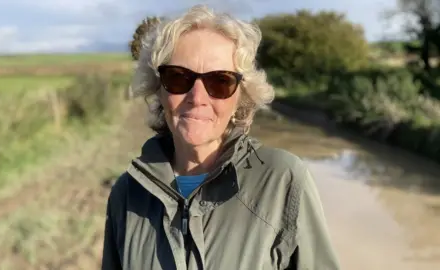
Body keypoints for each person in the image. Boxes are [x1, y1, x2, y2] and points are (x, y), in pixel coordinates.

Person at [101, 4, 340, 270]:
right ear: (158, 88)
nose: (197, 98)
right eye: (178, 78)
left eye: (220, 82)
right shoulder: (127, 194)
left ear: (241, 96)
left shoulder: (282, 181)